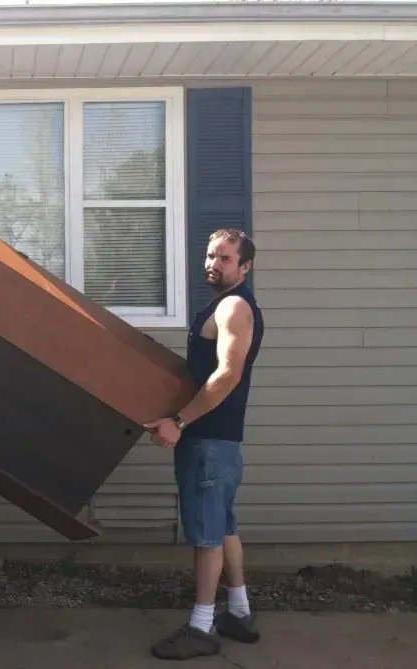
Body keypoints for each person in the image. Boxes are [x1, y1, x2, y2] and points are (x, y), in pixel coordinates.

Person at [145, 228, 265, 660]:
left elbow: (228, 374)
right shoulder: (223, 305)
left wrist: (179, 420)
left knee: (207, 535)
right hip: (220, 441)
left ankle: (201, 627)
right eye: (211, 255)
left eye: (226, 258)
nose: (214, 263)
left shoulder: (234, 307)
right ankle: (238, 611)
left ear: (245, 266)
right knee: (225, 526)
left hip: (209, 440)